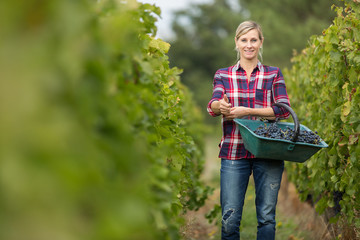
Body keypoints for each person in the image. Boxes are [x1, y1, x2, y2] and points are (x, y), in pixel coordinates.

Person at [207, 20, 291, 240]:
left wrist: (247, 111)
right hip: (234, 151)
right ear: (236, 42)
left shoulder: (273, 74)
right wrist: (220, 106)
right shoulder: (223, 74)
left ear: (261, 42)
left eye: (254, 40)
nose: (249, 45)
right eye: (244, 40)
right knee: (229, 220)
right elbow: (214, 105)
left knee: (266, 218)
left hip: (268, 151)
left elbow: (283, 110)